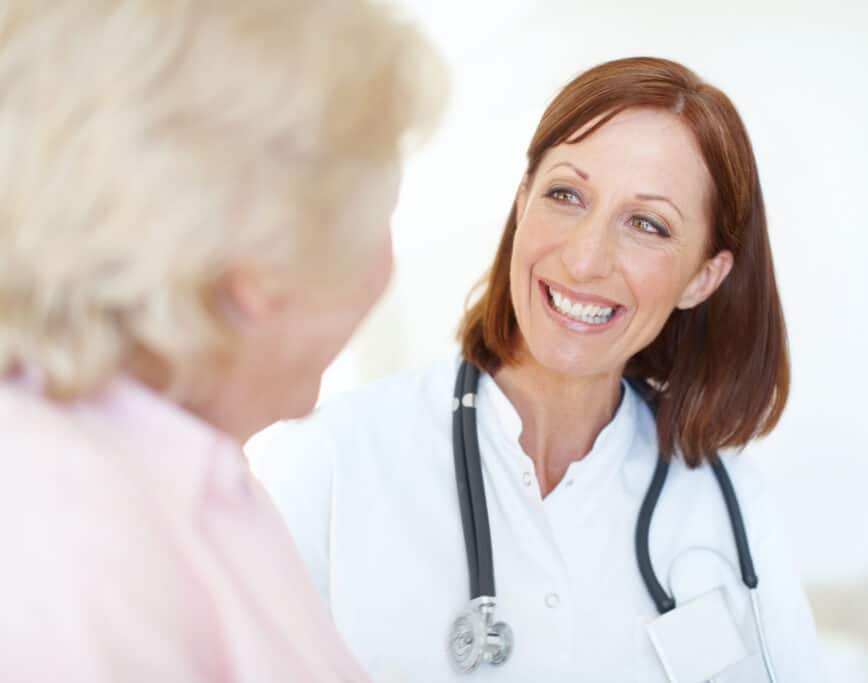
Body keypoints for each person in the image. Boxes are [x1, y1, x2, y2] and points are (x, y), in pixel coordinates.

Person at [249, 57, 823, 682]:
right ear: (523, 201)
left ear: (703, 277)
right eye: (566, 195)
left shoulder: (728, 500)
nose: (584, 259)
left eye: (647, 224)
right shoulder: (330, 461)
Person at [0, 1, 442, 680]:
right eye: (379, 214)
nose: (383, 266)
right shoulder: (58, 531)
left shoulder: (198, 471)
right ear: (264, 263)